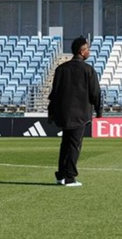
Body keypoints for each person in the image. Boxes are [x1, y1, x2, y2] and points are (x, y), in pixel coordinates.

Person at [48, 36, 102, 187]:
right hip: (80, 114)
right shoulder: (88, 70)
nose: (89, 52)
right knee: (74, 145)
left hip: (64, 113)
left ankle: (61, 175)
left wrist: (52, 112)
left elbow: (54, 93)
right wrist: (99, 111)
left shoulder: (61, 68)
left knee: (65, 144)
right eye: (87, 49)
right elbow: (95, 93)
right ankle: (70, 178)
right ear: (82, 51)